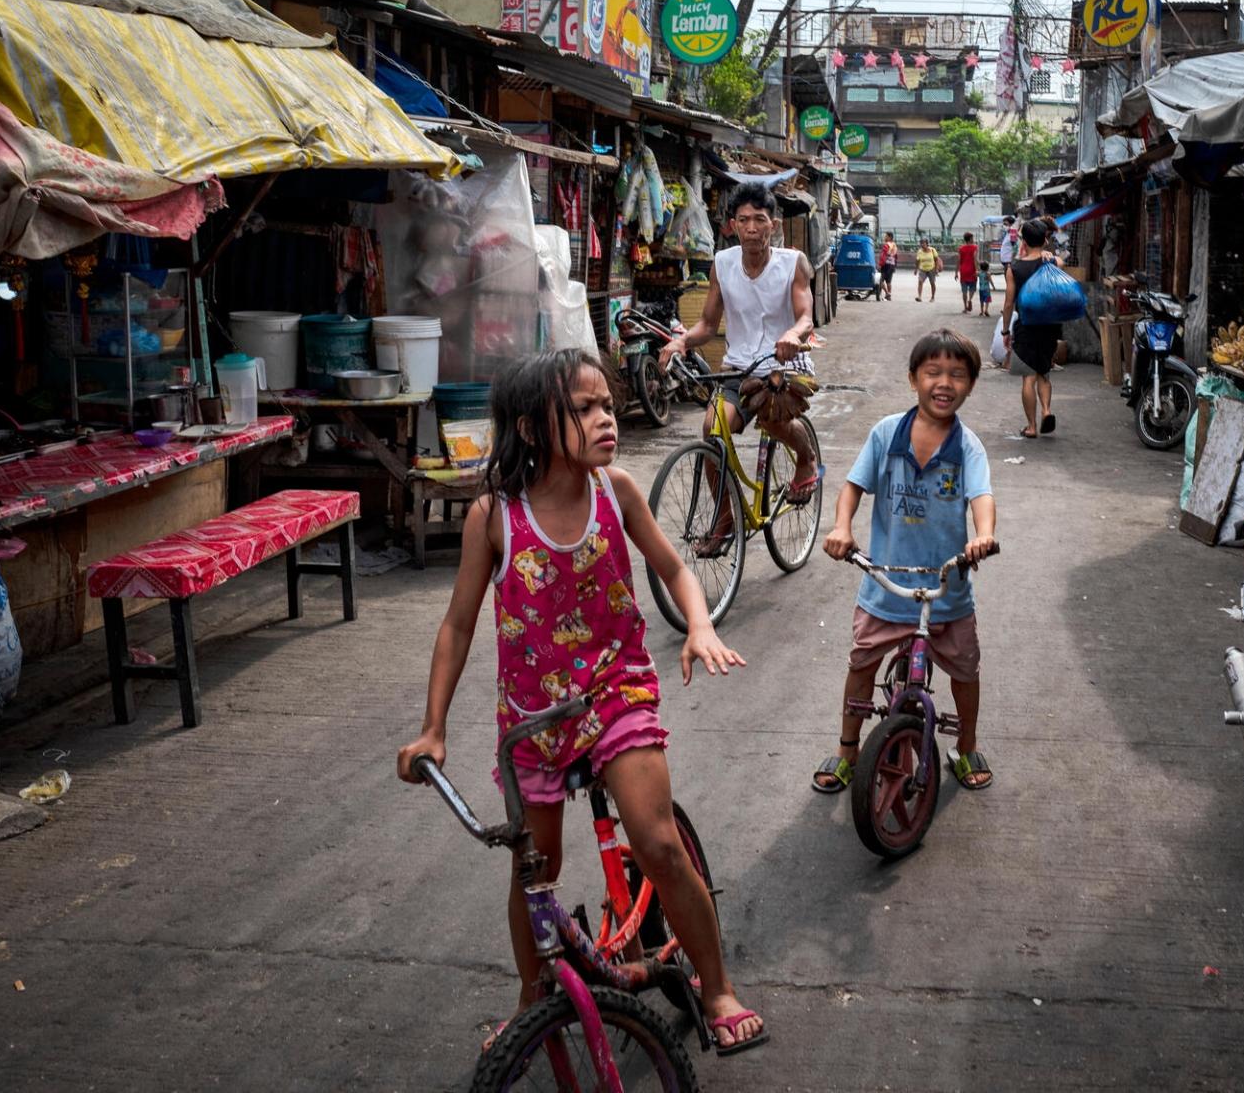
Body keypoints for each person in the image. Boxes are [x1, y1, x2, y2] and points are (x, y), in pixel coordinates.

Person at [397, 350, 768, 1056]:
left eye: (608, 405)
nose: (607, 420)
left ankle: (716, 988)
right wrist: (432, 729)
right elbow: (457, 624)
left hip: (616, 692)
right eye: (588, 409)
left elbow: (674, 568)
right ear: (535, 428)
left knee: (656, 842)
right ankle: (531, 997)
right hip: (533, 721)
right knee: (535, 870)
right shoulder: (493, 518)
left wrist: (699, 624)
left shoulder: (617, 491)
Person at [817, 329, 999, 793]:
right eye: (933, 372)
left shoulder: (968, 448)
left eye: (957, 374)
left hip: (947, 591)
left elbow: (982, 497)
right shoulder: (885, 434)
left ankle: (967, 745)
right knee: (861, 664)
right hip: (886, 587)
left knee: (964, 668)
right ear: (913, 379)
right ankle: (846, 749)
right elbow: (853, 487)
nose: (944, 383)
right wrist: (843, 527)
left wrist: (984, 535)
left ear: (971, 385)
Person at [659, 182, 820, 510]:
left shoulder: (794, 263)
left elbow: (806, 317)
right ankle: (724, 518)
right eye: (743, 220)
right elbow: (707, 324)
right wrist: (682, 342)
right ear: (732, 226)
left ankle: (807, 459)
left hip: (783, 365)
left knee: (773, 418)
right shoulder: (723, 263)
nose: (751, 228)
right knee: (712, 429)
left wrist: (792, 335)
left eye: (759, 219)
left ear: (773, 225)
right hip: (738, 367)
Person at [1000, 218, 1061, 438]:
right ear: (1045, 239)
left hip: (1026, 326)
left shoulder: (1014, 269)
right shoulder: (1052, 263)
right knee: (1044, 373)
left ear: (1023, 240)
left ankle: (1032, 427)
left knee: (1028, 377)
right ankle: (1046, 411)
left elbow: (1008, 304)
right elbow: (1061, 267)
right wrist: (1049, 254)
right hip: (1050, 326)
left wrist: (1005, 331)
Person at [955, 233, 979, 313]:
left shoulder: (961, 248)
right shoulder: (975, 247)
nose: (973, 239)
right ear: (970, 239)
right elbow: (975, 259)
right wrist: (976, 270)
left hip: (963, 271)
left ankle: (965, 307)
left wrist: (956, 272)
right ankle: (970, 299)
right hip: (972, 270)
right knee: (972, 288)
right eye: (972, 238)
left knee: (964, 290)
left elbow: (958, 260)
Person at [913, 237, 941, 302]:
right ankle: (919, 297)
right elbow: (917, 261)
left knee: (932, 283)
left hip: (931, 269)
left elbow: (936, 260)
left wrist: (936, 269)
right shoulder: (919, 252)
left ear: (927, 243)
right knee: (920, 281)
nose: (922, 245)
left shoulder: (932, 250)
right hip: (922, 269)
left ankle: (932, 297)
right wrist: (916, 269)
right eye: (921, 243)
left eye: (923, 243)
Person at [877, 231, 899, 301]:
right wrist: (895, 266)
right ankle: (889, 295)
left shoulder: (886, 245)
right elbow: (896, 256)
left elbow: (883, 256)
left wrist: (880, 265)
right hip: (891, 265)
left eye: (886, 236)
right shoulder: (894, 245)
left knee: (880, 280)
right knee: (889, 282)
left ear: (889, 237)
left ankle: (887, 293)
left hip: (885, 264)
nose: (884, 237)